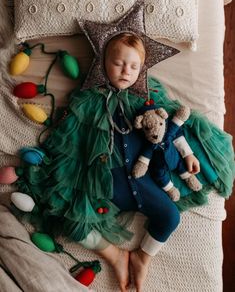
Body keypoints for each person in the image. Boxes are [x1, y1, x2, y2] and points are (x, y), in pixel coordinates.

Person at [0, 32, 232, 292]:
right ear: (103, 63)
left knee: (169, 217)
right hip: (104, 183)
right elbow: (71, 140)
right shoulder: (88, 100)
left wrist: (187, 154)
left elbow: (173, 129)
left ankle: (143, 256)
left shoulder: (148, 96)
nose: (125, 71)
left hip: (145, 179)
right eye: (118, 63)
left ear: (142, 68)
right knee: (72, 222)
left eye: (133, 66)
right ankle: (115, 255)